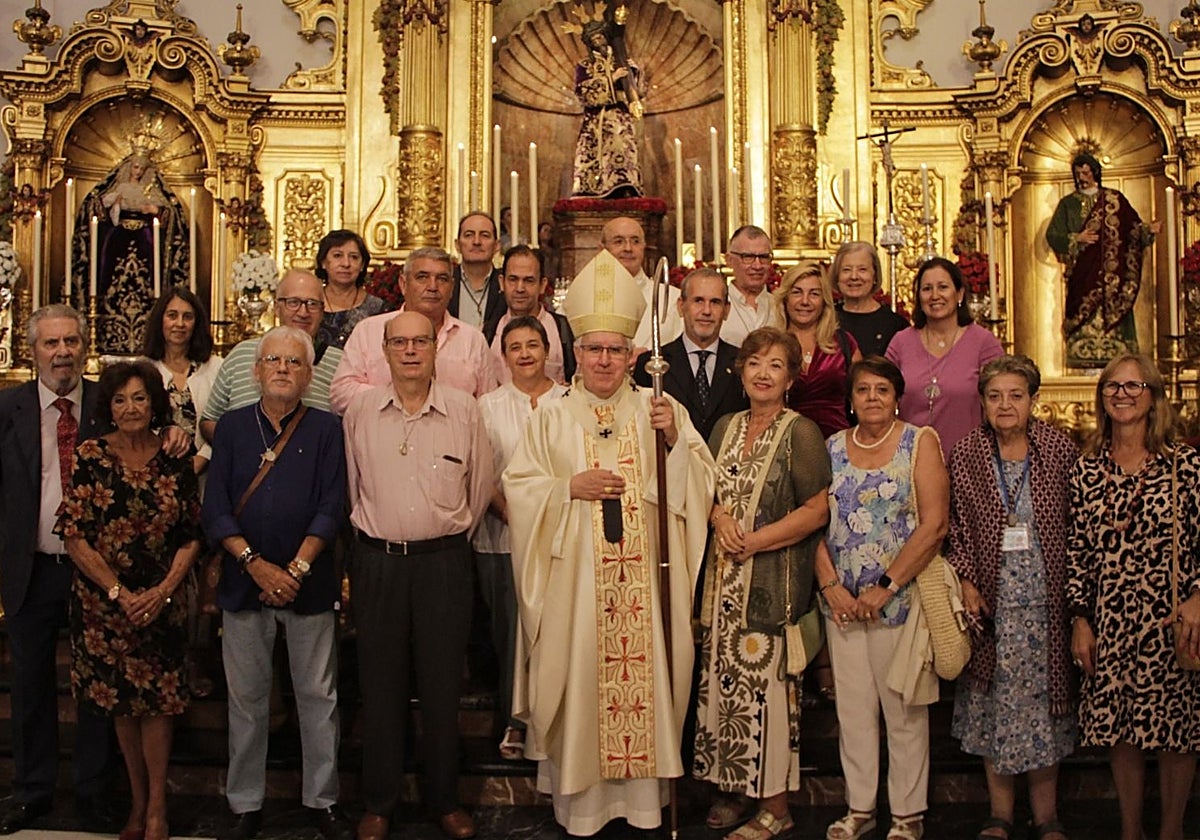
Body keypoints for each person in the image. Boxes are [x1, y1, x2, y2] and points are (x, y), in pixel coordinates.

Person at [503, 250, 715, 836]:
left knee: (644, 687)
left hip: (643, 589)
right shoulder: (552, 417)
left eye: (615, 350)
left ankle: (644, 806)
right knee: (582, 687)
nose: (603, 359)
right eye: (594, 348)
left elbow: (701, 483)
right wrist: (569, 487)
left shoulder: (658, 410)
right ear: (574, 352)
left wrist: (674, 442)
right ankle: (584, 809)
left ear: (633, 355)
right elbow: (519, 486)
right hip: (577, 591)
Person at [344, 311, 493, 840]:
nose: (410, 351)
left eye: (420, 342)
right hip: (378, 563)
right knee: (379, 686)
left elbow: (478, 491)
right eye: (399, 342)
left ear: (436, 348)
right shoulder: (361, 410)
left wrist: (443, 536)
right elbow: (352, 484)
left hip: (443, 564)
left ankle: (445, 800)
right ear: (384, 350)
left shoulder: (463, 410)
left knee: (440, 687)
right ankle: (379, 802)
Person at [202, 327, 350, 840]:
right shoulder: (234, 429)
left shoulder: (328, 429)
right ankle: (245, 801)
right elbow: (215, 507)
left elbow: (333, 506)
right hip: (245, 584)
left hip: (308, 585)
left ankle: (322, 798)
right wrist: (255, 564)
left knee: (317, 696)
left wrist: (297, 569)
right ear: (256, 370)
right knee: (247, 700)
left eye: (294, 361)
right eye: (273, 360)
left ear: (309, 375)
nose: (283, 368)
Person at [693, 327, 831, 840]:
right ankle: (731, 791)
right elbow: (701, 488)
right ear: (740, 370)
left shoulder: (802, 432)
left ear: (791, 377)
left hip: (773, 584)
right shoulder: (725, 426)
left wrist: (757, 540)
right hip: (723, 586)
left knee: (769, 696)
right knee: (725, 693)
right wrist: (717, 517)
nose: (763, 373)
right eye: (754, 363)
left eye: (776, 364)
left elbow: (818, 508)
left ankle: (776, 806)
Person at [56, 360, 202, 840]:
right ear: (109, 408)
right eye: (120, 399)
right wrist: (118, 592)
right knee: (121, 705)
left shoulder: (174, 455)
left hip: (163, 602)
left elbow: (191, 534)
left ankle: (158, 806)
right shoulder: (91, 455)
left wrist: (162, 591)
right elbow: (75, 536)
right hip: (106, 607)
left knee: (157, 706)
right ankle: (136, 806)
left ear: (154, 402)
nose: (130, 407)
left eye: (139, 397)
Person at [1067, 353, 1200, 840]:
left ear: (1153, 396)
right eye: (1112, 387)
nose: (1122, 395)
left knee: (1175, 729)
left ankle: (1171, 829)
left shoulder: (1185, 465)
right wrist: (1081, 618)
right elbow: (1077, 548)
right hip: (1111, 616)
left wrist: (1199, 597)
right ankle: (1130, 829)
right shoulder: (1086, 469)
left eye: (1132, 386)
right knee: (1119, 727)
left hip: (1172, 616)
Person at [816, 356, 949, 840]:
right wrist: (832, 587)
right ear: (850, 401)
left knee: (904, 710)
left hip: (900, 600)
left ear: (897, 397)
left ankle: (907, 814)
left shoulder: (919, 442)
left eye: (882, 390)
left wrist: (886, 586)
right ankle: (860, 808)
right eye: (863, 391)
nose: (872, 398)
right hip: (843, 605)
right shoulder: (831, 447)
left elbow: (934, 524)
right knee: (852, 711)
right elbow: (814, 520)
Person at [946, 355, 1079, 840]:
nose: (1005, 405)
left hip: (1046, 607)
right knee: (993, 708)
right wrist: (964, 580)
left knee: (1047, 711)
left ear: (1032, 401)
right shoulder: (966, 454)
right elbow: (953, 526)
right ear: (982, 402)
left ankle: (1047, 817)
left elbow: (1076, 526)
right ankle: (999, 814)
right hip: (989, 604)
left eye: (1015, 396)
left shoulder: (1059, 450)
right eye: (995, 396)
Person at [0, 305, 118, 834]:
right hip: (31, 567)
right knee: (29, 685)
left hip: (95, 570)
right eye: (51, 343)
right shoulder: (8, 409)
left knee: (96, 687)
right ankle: (32, 789)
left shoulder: (108, 404)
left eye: (72, 341)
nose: (63, 352)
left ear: (85, 346)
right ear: (33, 351)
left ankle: (94, 793)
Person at [475, 316, 569, 762]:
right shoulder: (488, 406)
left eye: (534, 344)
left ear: (548, 349)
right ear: (504, 355)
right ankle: (516, 721)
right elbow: (482, 472)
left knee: (558, 628)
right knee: (511, 631)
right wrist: (510, 511)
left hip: (563, 537)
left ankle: (560, 717)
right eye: (516, 347)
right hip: (504, 535)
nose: (526, 353)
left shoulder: (571, 400)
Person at [331, 247, 500, 413]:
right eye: (422, 277)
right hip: (382, 436)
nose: (433, 286)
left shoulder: (472, 340)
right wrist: (400, 400)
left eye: (442, 278)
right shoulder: (368, 331)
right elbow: (341, 395)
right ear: (403, 284)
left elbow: (489, 408)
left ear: (452, 288)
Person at [200, 269, 344, 440]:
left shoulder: (341, 362)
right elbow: (209, 420)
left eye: (312, 304)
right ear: (276, 308)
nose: (303, 312)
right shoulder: (241, 354)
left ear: (322, 311)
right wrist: (239, 447)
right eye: (293, 302)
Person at [1046, 153, 1159, 369]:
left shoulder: (1114, 200)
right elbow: (1053, 235)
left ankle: (1118, 354)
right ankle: (1082, 354)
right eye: (1078, 173)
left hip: (1113, 277)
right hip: (1083, 272)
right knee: (1081, 306)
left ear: (1095, 172)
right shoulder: (1068, 204)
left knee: (1114, 302)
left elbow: (1132, 230)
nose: (1082, 177)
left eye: (1086, 172)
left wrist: (1147, 230)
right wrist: (1076, 238)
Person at [886, 257, 1003, 461]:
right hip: (908, 461)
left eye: (943, 287)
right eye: (927, 289)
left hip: (969, 462)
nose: (935, 296)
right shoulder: (901, 342)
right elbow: (883, 397)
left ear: (959, 294)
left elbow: (999, 401)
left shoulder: (984, 342)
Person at [73, 151, 189, 353]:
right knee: (110, 277)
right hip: (118, 240)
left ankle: (149, 330)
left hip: (147, 240)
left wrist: (153, 210)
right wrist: (115, 204)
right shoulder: (120, 187)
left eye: (142, 168)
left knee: (150, 280)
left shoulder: (151, 189)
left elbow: (169, 213)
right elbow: (98, 207)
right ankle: (105, 328)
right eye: (136, 167)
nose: (138, 171)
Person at [633, 267, 748, 442]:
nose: (707, 311)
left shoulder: (744, 363)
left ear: (726, 310)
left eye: (715, 302)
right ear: (681, 306)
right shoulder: (651, 364)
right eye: (698, 301)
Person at [142, 287, 223, 475]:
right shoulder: (144, 369)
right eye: (172, 315)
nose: (180, 323)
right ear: (160, 320)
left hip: (206, 473)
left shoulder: (216, 368)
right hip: (154, 474)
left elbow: (227, 423)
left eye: (187, 317)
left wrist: (204, 457)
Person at [776, 261, 861, 440]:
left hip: (838, 446)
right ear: (785, 298)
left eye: (814, 294)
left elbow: (862, 395)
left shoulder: (844, 343)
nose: (804, 301)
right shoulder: (772, 344)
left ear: (824, 301)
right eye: (797, 292)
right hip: (784, 444)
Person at [483, 245, 576, 386]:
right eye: (513, 280)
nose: (520, 288)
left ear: (542, 285)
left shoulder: (563, 330)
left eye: (529, 280)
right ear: (502, 283)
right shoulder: (487, 333)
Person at [570, 20, 643, 198]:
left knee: (622, 146)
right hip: (596, 120)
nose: (598, 41)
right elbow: (582, 91)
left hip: (620, 115)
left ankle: (624, 184)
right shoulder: (585, 65)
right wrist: (612, 78)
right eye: (593, 39)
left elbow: (636, 91)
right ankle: (596, 186)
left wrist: (634, 74)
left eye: (600, 37)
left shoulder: (621, 58)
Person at [600, 216, 681, 351]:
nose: (628, 248)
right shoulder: (583, 297)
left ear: (644, 246)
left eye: (635, 241)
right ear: (602, 249)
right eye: (618, 241)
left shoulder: (672, 298)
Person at [832, 241, 908, 358]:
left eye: (862, 270)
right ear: (837, 276)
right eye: (846, 270)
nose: (854, 277)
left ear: (875, 276)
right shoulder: (826, 320)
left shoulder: (895, 325)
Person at [315, 229, 384, 349]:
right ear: (323, 262)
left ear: (362, 265)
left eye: (354, 257)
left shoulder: (379, 309)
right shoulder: (310, 305)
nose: (346, 263)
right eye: (337, 256)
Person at [721, 225, 782, 347]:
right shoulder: (715, 305)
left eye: (764, 257)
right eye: (748, 257)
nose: (757, 266)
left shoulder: (781, 306)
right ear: (729, 260)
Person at [449, 212, 505, 330]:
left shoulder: (507, 283)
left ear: (497, 246)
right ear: (457, 245)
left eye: (484, 235)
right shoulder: (445, 281)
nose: (476, 242)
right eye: (469, 235)